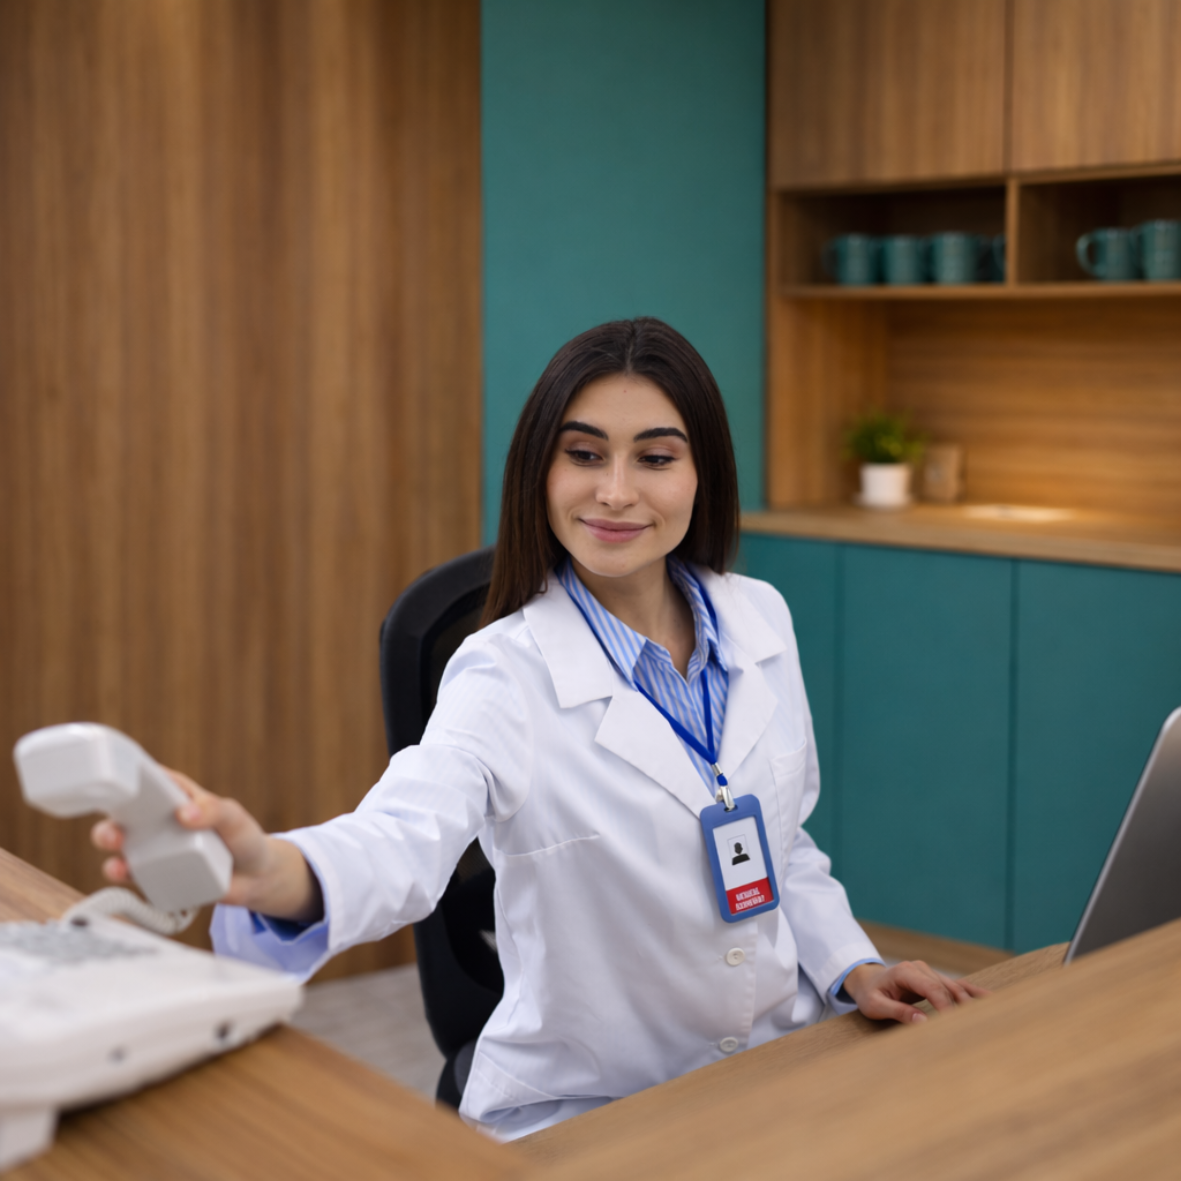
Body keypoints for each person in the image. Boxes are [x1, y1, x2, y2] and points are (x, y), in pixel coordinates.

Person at [92, 317, 985, 1140]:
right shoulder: (501, 671)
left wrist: (850, 967)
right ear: (539, 473)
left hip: (778, 1066)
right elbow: (401, 838)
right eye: (584, 454)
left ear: (700, 471)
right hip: (591, 1109)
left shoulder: (759, 618)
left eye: (655, 457)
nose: (615, 491)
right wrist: (274, 871)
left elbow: (782, 847)